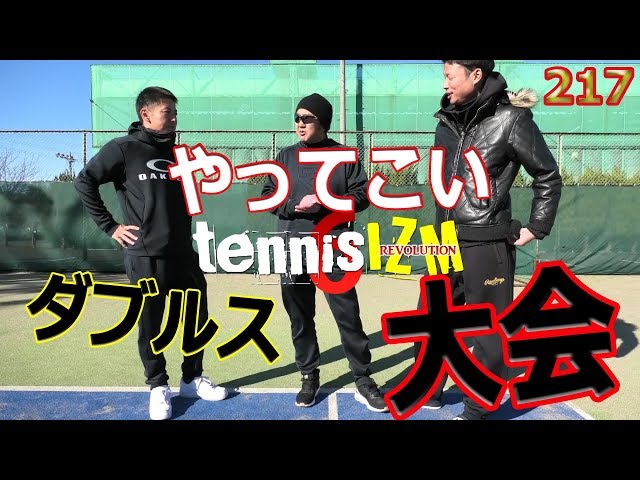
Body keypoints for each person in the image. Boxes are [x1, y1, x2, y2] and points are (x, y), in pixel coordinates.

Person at [416, 60, 562, 419]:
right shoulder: (445, 122)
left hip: (487, 241)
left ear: (476, 75)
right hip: (444, 239)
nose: (445, 84)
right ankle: (430, 385)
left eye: (450, 76)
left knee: (487, 329)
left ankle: (478, 407)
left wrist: (537, 226)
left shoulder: (512, 119)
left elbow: (547, 174)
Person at [74, 86, 228, 420]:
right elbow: (84, 180)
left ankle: (192, 379)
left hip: (183, 253)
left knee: (196, 317)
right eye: (167, 113)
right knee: (151, 324)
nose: (174, 119)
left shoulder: (178, 154)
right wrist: (110, 226)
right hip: (145, 255)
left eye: (175, 113)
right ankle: (158, 386)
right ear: (145, 114)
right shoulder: (123, 149)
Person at [261, 93, 388, 413]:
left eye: (307, 118)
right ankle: (309, 375)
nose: (299, 123)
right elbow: (267, 195)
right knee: (300, 317)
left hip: (334, 247)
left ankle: (363, 379)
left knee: (348, 317)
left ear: (323, 122)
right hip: (293, 248)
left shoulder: (345, 156)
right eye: (297, 118)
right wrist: (294, 205)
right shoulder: (285, 156)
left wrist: (327, 202)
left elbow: (362, 195)